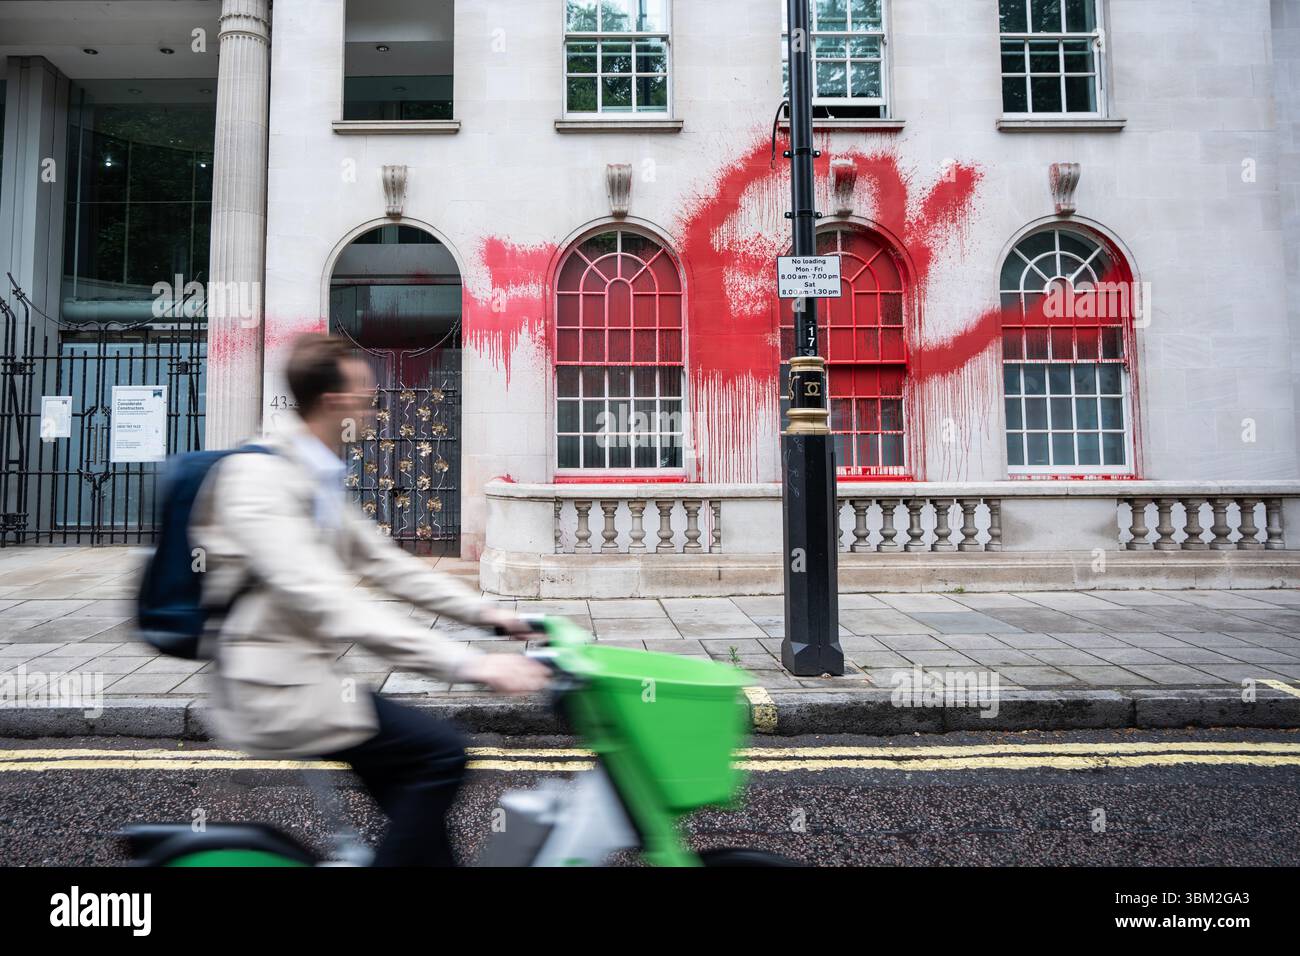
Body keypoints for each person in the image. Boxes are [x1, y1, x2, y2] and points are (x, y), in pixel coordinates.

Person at [191, 333, 549, 865]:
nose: (378, 407)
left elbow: (385, 565)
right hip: (268, 689)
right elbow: (326, 601)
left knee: (418, 801)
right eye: (369, 394)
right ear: (336, 403)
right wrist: (471, 665)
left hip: (304, 676)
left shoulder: (316, 473)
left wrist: (490, 615)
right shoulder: (260, 478)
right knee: (439, 754)